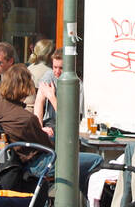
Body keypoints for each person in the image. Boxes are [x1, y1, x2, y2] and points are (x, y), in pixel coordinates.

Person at [32, 50, 102, 194]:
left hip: (66, 131)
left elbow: (69, 120)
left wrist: (52, 97)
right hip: (49, 129)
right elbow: (39, 101)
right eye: (54, 67)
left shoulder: (76, 85)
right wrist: (39, 129)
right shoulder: (49, 75)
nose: (56, 72)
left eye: (61, 68)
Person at [0, 64, 52, 154]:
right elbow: (48, 147)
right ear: (27, 86)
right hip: (26, 163)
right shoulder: (28, 119)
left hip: (1, 158)